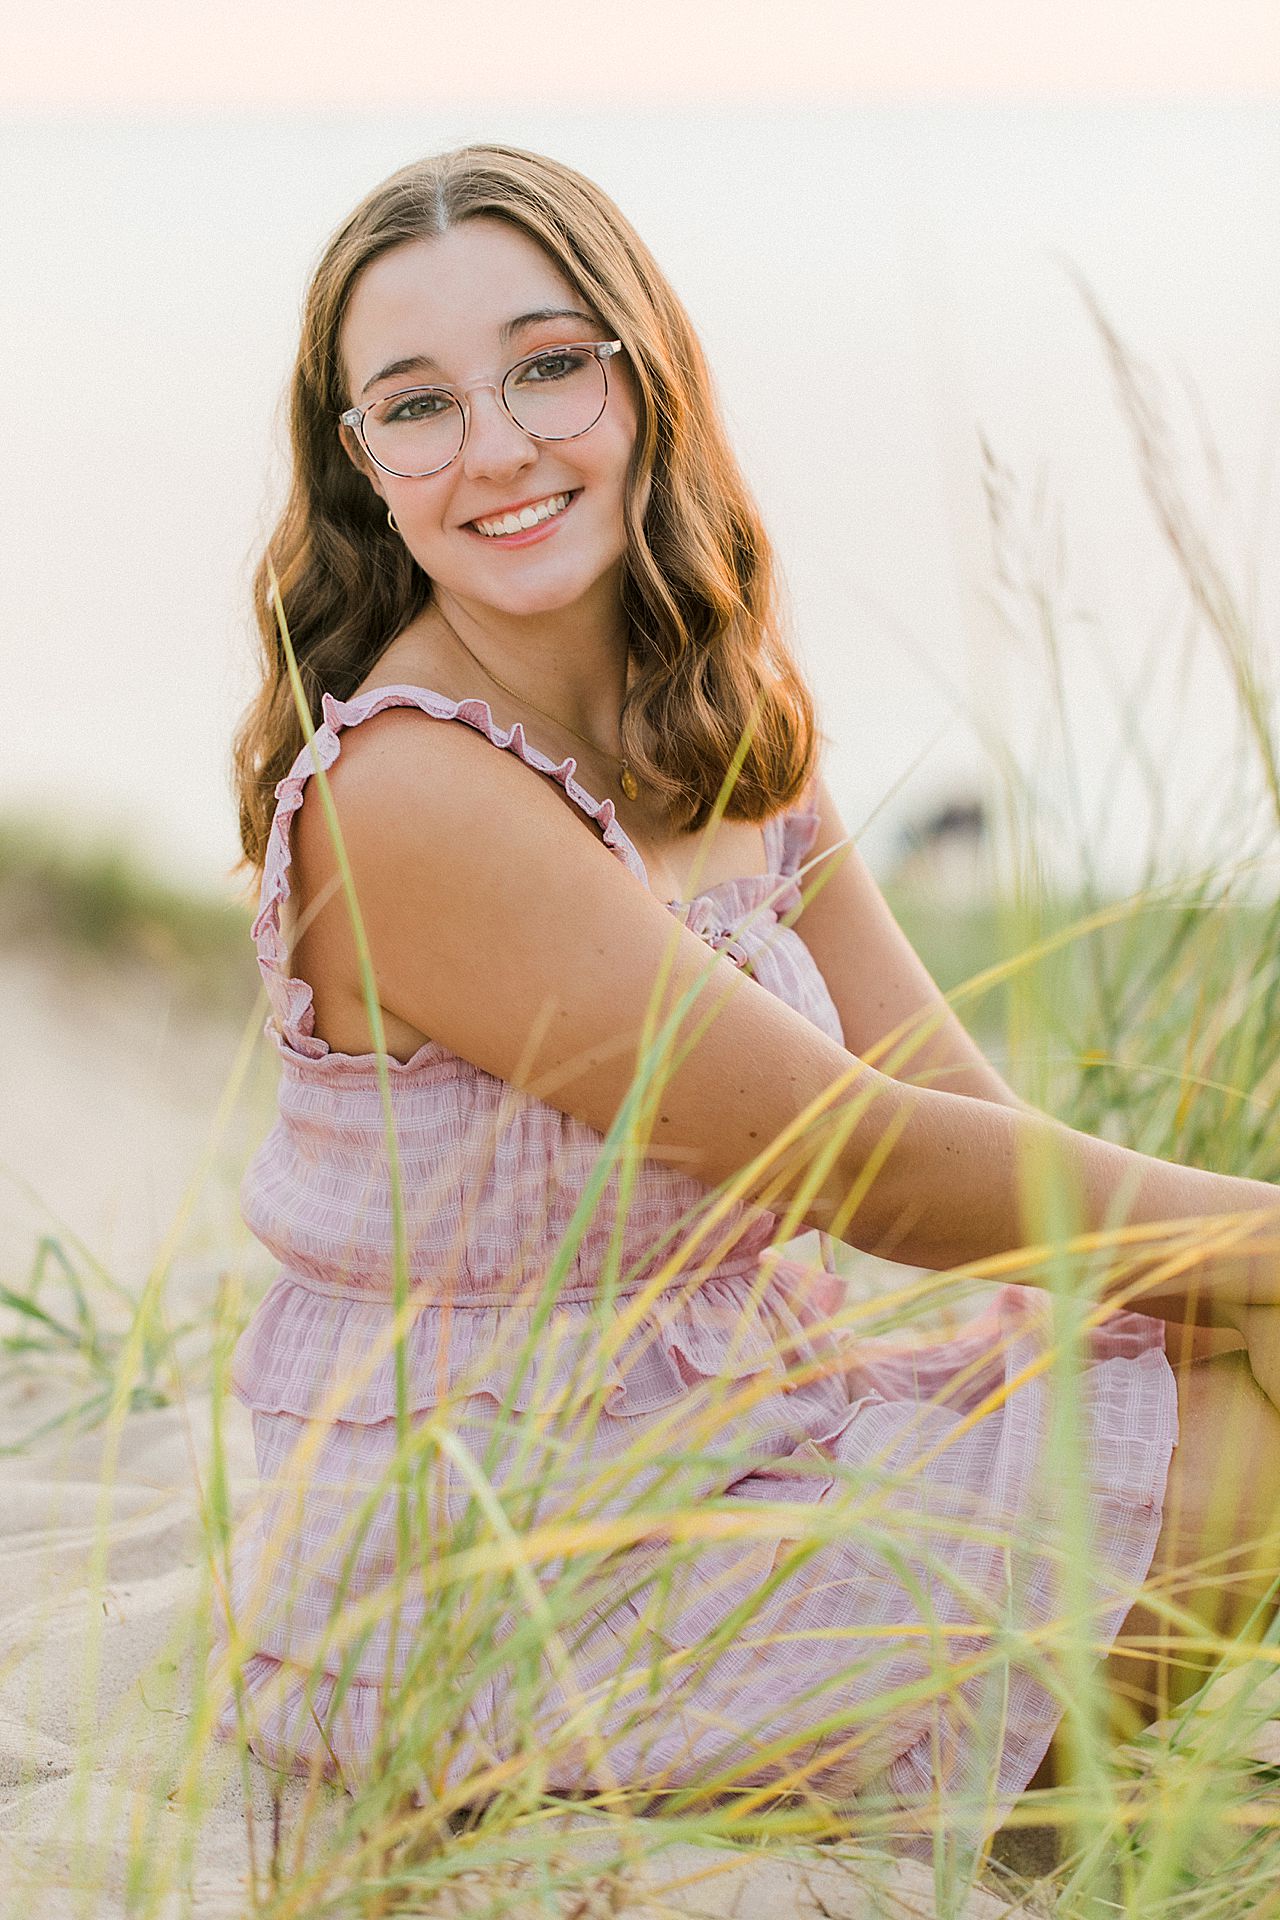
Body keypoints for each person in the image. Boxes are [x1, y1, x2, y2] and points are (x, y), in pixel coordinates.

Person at [209, 142, 1280, 1856]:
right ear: (360, 470)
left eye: (549, 365)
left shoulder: (716, 707)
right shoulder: (404, 793)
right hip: (507, 1572)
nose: (494, 447)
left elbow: (954, 1104)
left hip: (750, 1434)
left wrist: (1208, 1284)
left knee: (1225, 1323)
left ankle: (988, 1772)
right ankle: (998, 1796)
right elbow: (873, 1170)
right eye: (414, 407)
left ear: (645, 375)